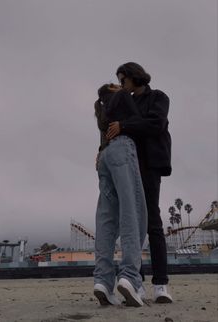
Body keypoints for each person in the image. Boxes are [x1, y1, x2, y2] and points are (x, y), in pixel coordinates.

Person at [107, 62, 173, 303]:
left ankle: (161, 285)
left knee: (152, 223)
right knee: (132, 224)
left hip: (151, 164)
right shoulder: (125, 100)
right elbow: (111, 126)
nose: (121, 84)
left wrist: (125, 124)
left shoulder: (158, 97)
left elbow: (156, 124)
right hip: (129, 165)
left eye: (123, 80)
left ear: (134, 77)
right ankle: (137, 283)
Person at [93, 83, 147, 307]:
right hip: (123, 149)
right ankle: (130, 278)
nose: (122, 85)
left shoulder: (103, 109)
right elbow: (142, 121)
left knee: (106, 219)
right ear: (113, 91)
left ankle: (102, 281)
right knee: (133, 213)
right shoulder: (123, 97)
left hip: (105, 156)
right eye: (117, 84)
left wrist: (99, 151)